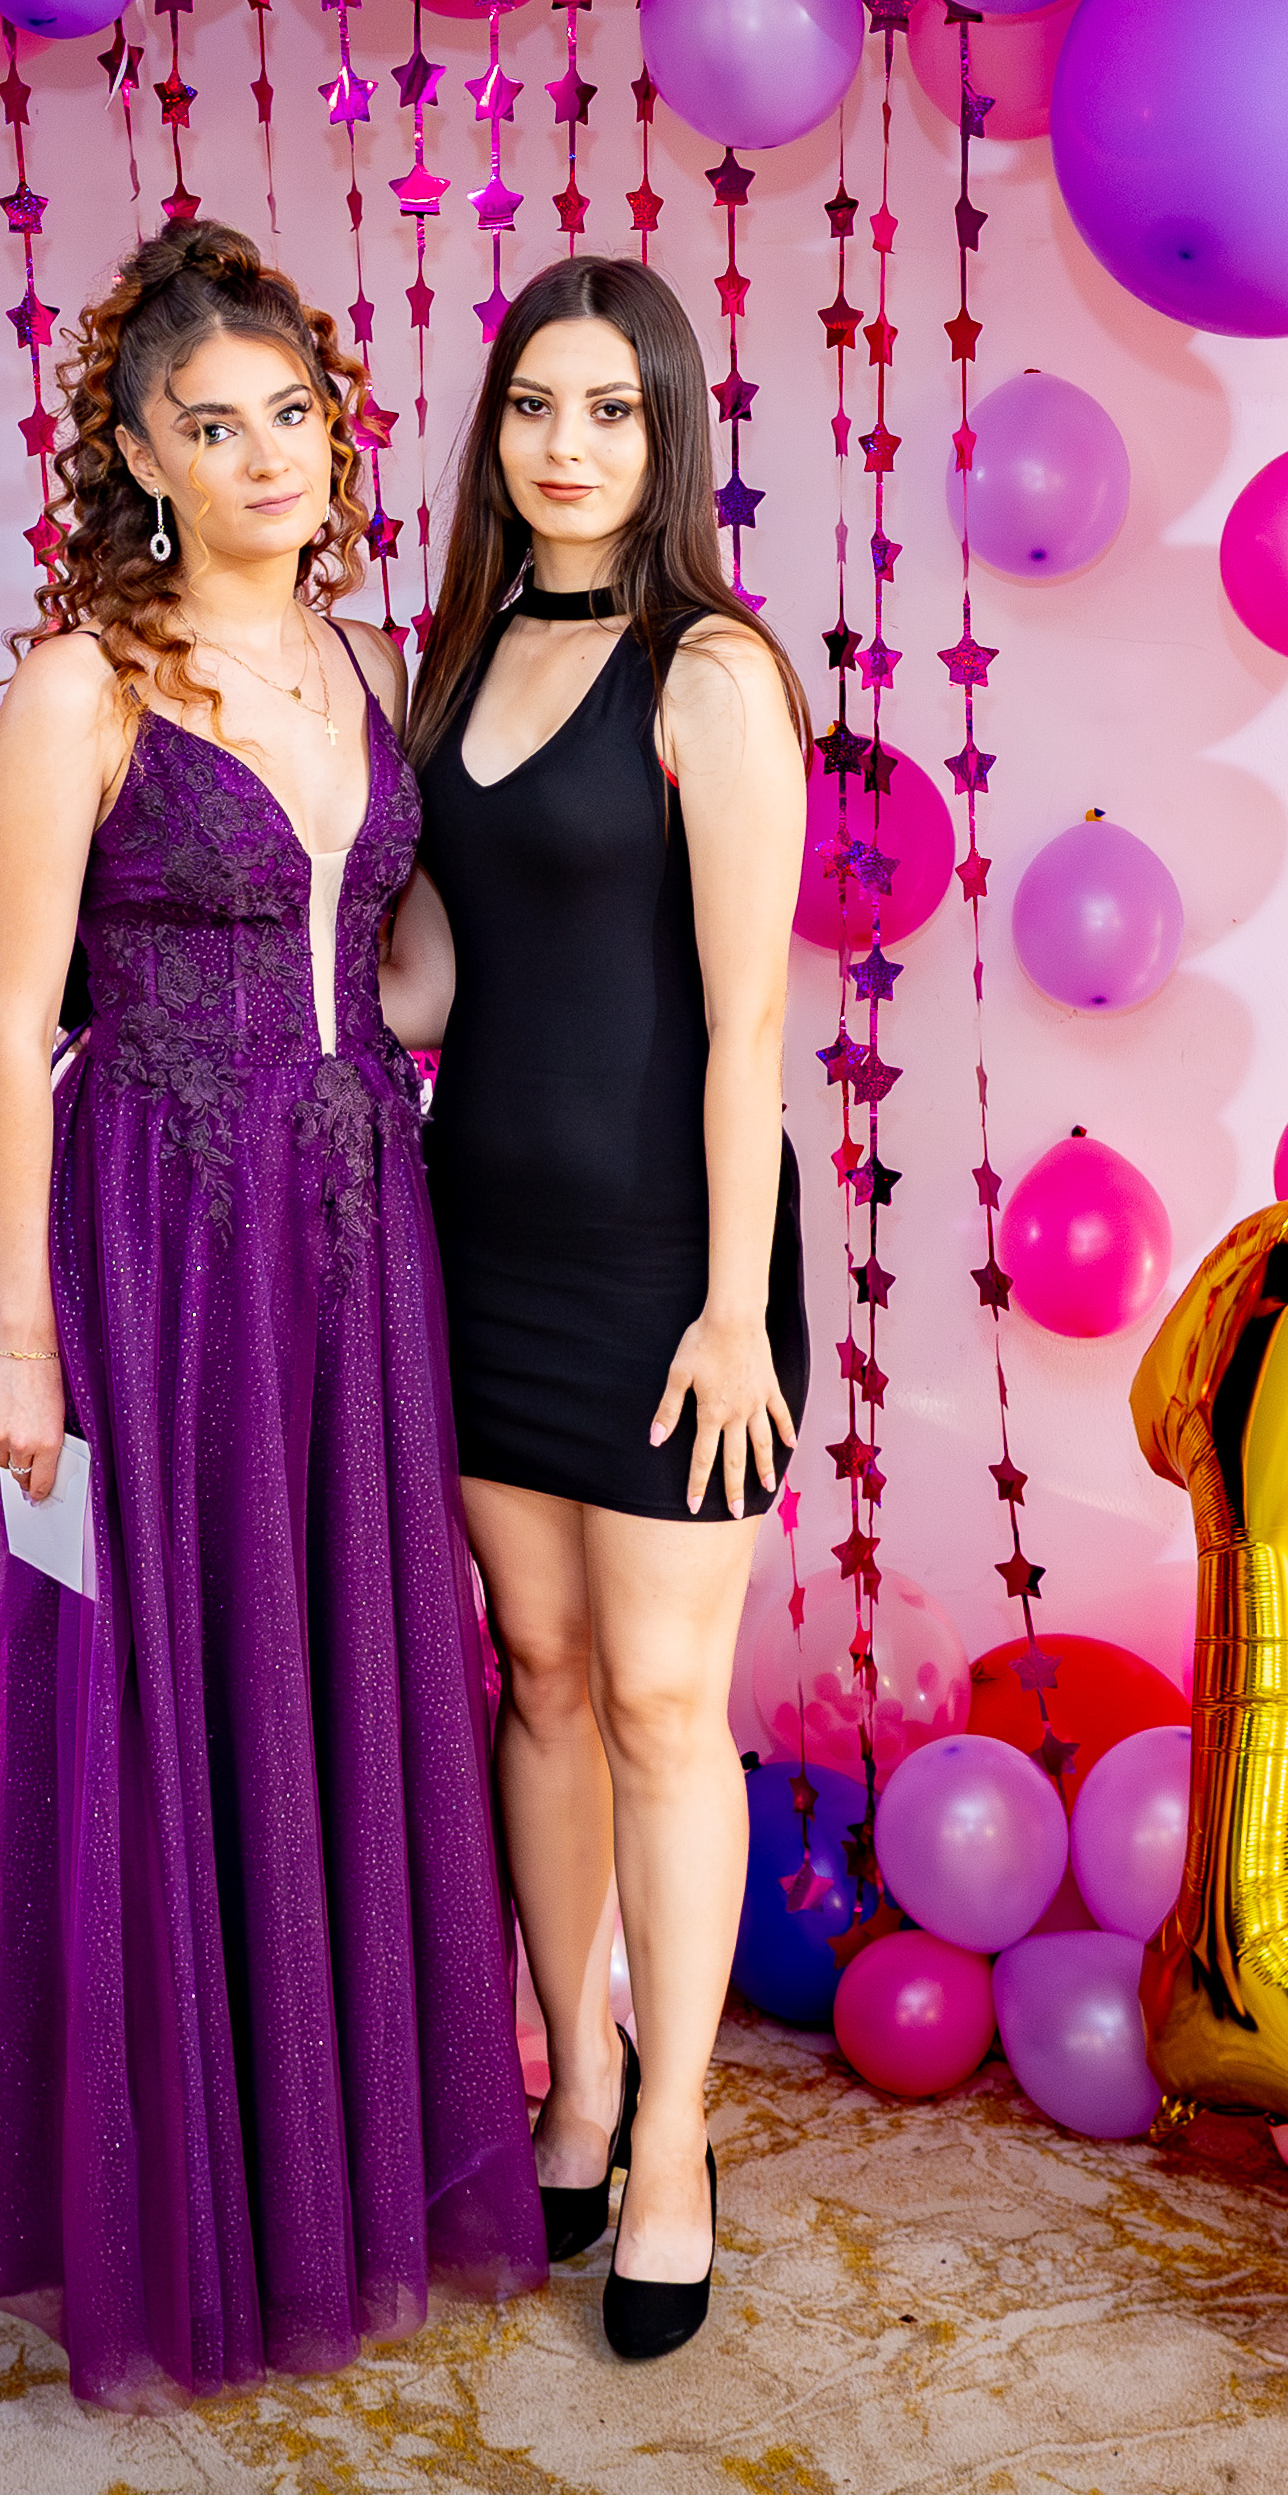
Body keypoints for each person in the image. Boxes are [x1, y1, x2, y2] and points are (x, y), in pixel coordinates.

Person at [0, 221, 543, 2403]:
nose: (269, 455)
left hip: (358, 1214)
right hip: (161, 1232)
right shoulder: (82, 687)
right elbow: (10, 1027)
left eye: (293, 413)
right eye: (215, 427)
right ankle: (197, 2196)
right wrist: (24, 1335)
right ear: (138, 455)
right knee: (181, 1677)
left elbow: (392, 966)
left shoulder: (364, 661)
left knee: (349, 1659)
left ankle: (344, 2166)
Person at [386, 256, 808, 2362]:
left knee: (656, 1699)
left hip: (664, 1266)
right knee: (538, 1679)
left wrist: (732, 1311)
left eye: (610, 409)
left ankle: (669, 2142)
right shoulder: (449, 661)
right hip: (477, 1243)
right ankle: (572, 2077)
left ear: (667, 433)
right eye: (535, 407)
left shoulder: (709, 671)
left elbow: (748, 1026)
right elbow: (432, 983)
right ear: (494, 434)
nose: (567, 445)